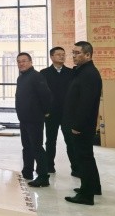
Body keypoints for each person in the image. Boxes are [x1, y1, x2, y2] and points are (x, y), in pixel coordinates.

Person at [63, 41, 103, 206]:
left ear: (88, 55)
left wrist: (77, 126)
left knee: (83, 158)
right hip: (82, 124)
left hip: (82, 126)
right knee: (87, 157)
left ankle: (86, 195)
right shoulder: (82, 71)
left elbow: (85, 103)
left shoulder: (89, 74)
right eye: (73, 53)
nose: (74, 56)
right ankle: (93, 187)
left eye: (77, 53)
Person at [15, 52, 52, 187]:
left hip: (34, 118)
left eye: (24, 61)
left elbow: (46, 95)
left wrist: (46, 112)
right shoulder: (21, 78)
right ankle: (27, 171)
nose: (21, 63)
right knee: (26, 146)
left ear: (30, 62)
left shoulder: (36, 76)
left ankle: (43, 177)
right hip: (24, 118)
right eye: (19, 61)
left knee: (37, 147)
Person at [40, 46, 75, 174]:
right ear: (51, 57)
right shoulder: (44, 73)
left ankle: (76, 168)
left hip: (67, 113)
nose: (62, 56)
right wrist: (45, 110)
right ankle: (49, 166)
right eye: (58, 54)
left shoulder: (71, 73)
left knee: (70, 141)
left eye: (63, 54)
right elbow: (42, 94)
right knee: (50, 141)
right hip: (51, 113)